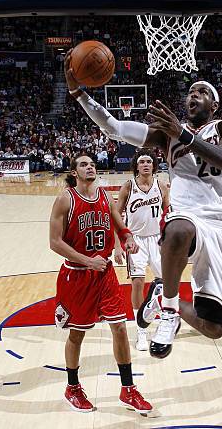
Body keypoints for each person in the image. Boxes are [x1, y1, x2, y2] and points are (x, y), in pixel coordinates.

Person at [64, 49, 222, 359]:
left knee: (214, 328)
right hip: (187, 215)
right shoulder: (166, 136)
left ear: (214, 105)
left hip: (221, 226)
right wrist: (78, 93)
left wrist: (183, 133)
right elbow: (114, 127)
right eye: (190, 92)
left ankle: (161, 299)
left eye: (201, 92)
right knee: (177, 230)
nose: (193, 96)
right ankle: (171, 310)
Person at [49, 154, 152, 413]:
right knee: (77, 333)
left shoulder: (105, 197)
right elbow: (55, 242)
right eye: (83, 164)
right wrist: (87, 260)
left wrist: (127, 239)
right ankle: (72, 387)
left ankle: (128, 389)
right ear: (74, 172)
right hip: (77, 275)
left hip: (104, 274)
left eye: (92, 164)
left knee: (119, 327)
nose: (90, 166)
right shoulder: (65, 199)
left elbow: (121, 226)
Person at [114, 149, 170, 351]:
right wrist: (118, 245)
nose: (145, 164)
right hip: (135, 240)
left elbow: (168, 212)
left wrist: (169, 237)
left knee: (165, 284)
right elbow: (117, 215)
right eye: (142, 161)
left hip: (157, 240)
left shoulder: (161, 185)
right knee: (137, 282)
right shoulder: (128, 187)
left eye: (149, 161)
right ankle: (141, 330)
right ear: (136, 166)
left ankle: (165, 321)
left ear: (154, 165)